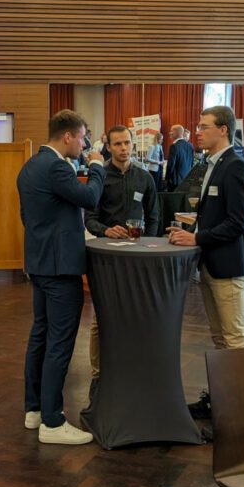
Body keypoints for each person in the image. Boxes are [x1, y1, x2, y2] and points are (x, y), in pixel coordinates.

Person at [17, 110, 105, 445]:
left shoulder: (30, 166)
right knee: (59, 342)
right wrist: (97, 167)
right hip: (60, 267)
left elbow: (28, 217)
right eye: (82, 138)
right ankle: (53, 422)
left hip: (40, 263)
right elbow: (90, 197)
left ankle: (35, 410)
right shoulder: (56, 166)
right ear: (67, 136)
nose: (84, 144)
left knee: (40, 336)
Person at [169, 106, 244, 417]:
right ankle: (224, 400)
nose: (198, 132)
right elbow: (212, 216)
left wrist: (196, 238)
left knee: (235, 338)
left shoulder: (235, 167)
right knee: (220, 338)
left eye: (204, 126)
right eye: (198, 126)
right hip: (212, 263)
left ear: (223, 130)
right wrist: (188, 232)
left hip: (228, 266)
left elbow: (238, 222)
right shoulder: (213, 164)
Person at [83, 124, 160, 379]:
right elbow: (89, 219)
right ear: (108, 147)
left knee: (136, 313)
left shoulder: (145, 178)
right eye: (117, 144)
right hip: (106, 257)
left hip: (138, 257)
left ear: (133, 144)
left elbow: (154, 217)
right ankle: (98, 374)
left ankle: (130, 368)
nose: (123, 148)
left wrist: (148, 245)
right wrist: (106, 230)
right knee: (101, 318)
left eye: (127, 143)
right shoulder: (100, 177)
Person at [165, 124, 194, 190]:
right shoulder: (190, 146)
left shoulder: (174, 146)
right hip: (186, 181)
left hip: (175, 182)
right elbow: (191, 163)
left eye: (171, 131)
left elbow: (171, 165)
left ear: (176, 132)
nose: (170, 133)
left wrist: (167, 178)